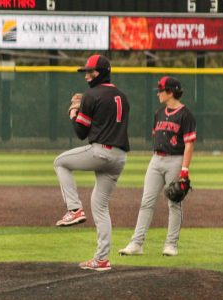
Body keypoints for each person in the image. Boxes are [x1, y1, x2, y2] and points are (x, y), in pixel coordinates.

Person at [54, 54, 130, 271]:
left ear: (103, 72)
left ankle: (74, 209)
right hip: (120, 157)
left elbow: (80, 132)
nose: (87, 75)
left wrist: (74, 110)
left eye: (91, 71)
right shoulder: (122, 97)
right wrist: (84, 104)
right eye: (85, 71)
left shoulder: (91, 95)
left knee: (60, 162)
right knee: (100, 205)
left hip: (101, 152)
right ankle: (102, 259)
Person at [119, 76, 196, 257]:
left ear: (170, 92)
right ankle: (137, 243)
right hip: (156, 160)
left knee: (174, 203)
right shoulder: (159, 113)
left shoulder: (186, 115)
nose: (158, 94)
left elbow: (189, 144)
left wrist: (184, 170)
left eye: (161, 91)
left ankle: (171, 245)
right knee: (146, 202)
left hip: (175, 160)